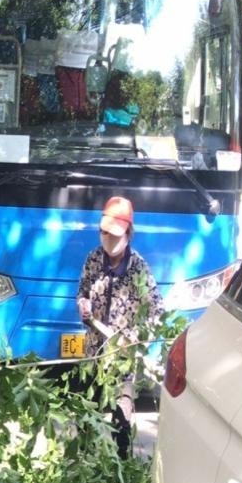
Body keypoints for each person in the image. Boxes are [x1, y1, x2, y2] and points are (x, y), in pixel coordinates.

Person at [76, 196, 164, 458]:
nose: (108, 239)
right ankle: (82, 464)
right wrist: (83, 305)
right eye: (104, 233)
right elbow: (81, 292)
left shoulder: (138, 268)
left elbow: (157, 311)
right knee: (87, 412)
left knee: (121, 418)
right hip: (94, 353)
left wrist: (137, 340)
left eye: (114, 234)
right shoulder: (93, 260)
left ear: (128, 233)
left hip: (122, 359)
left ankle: (121, 466)